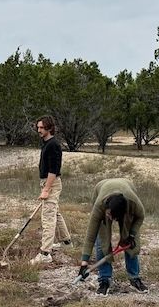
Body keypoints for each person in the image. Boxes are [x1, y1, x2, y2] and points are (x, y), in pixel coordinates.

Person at [78, 177, 148, 295]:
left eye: (113, 217)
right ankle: (104, 279)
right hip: (101, 189)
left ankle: (134, 277)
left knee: (131, 243)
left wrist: (132, 234)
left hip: (127, 188)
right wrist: (84, 262)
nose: (110, 218)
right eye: (109, 215)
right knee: (102, 242)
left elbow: (140, 216)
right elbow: (91, 234)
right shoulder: (100, 206)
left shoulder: (133, 203)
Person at [30, 115, 71, 264]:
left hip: (51, 184)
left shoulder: (53, 145)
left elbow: (54, 170)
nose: (38, 130)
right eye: (38, 127)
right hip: (47, 183)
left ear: (49, 128)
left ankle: (45, 253)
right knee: (55, 213)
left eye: (41, 127)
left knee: (48, 217)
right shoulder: (46, 143)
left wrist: (46, 189)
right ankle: (67, 242)